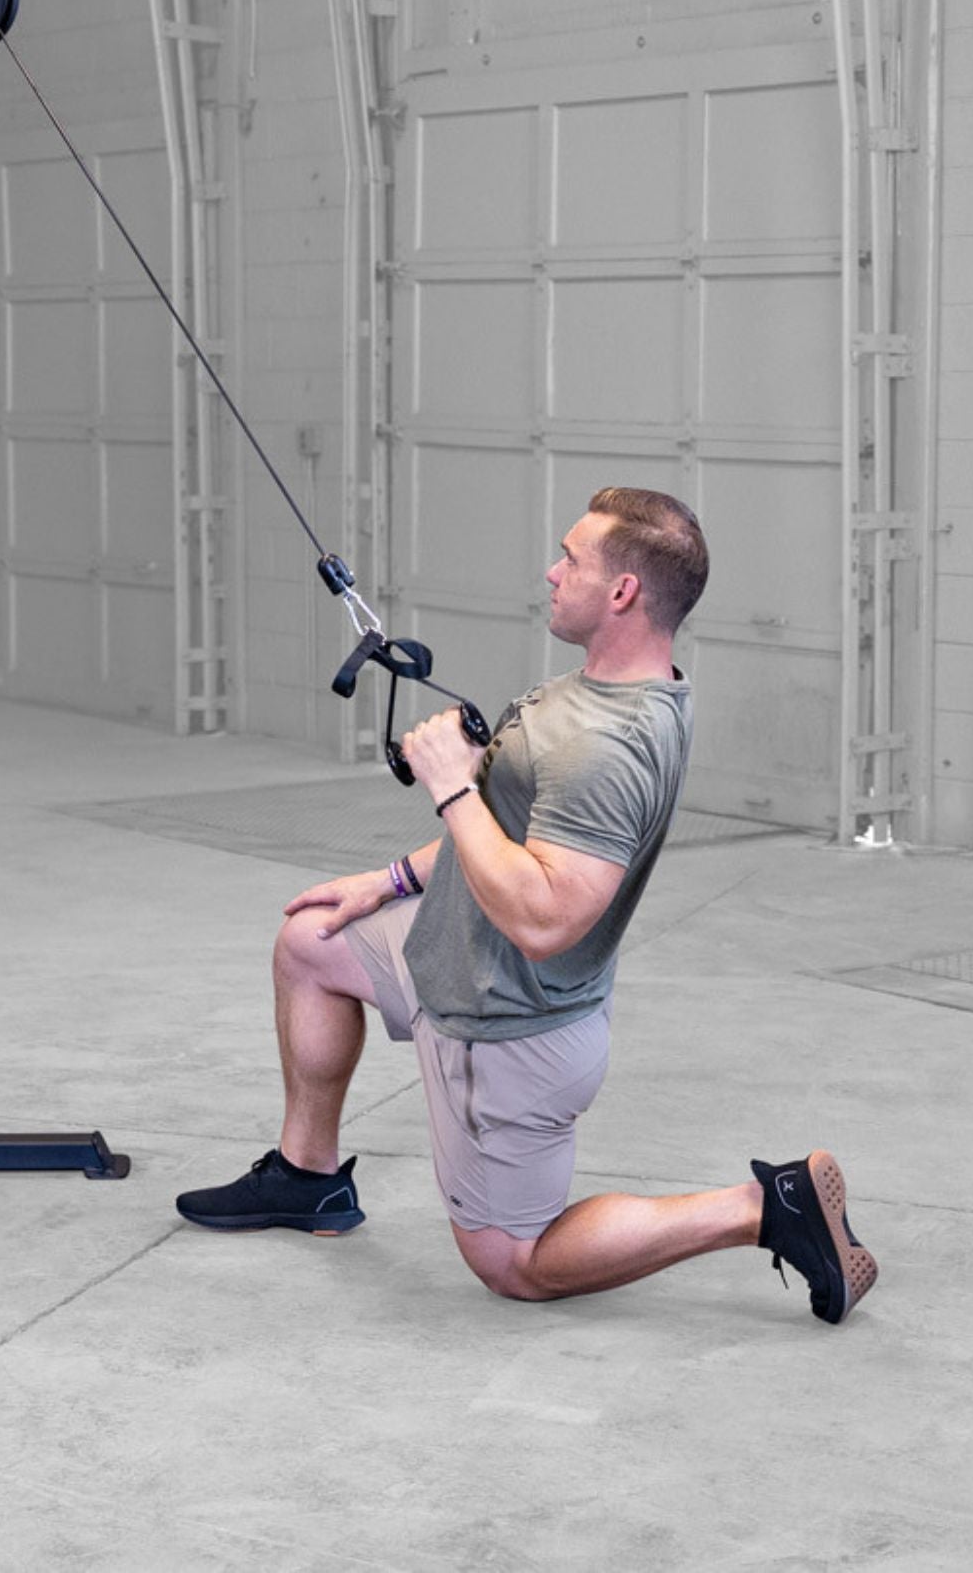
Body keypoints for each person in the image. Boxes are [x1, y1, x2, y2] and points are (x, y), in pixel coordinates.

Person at [177, 487, 877, 1325]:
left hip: (506, 1021)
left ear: (622, 592)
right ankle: (307, 1177)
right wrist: (391, 880)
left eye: (572, 558)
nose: (551, 570)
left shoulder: (605, 748)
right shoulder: (607, 690)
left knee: (514, 1263)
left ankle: (763, 1209)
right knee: (312, 944)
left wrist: (448, 789)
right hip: (453, 946)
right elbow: (516, 836)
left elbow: (546, 919)